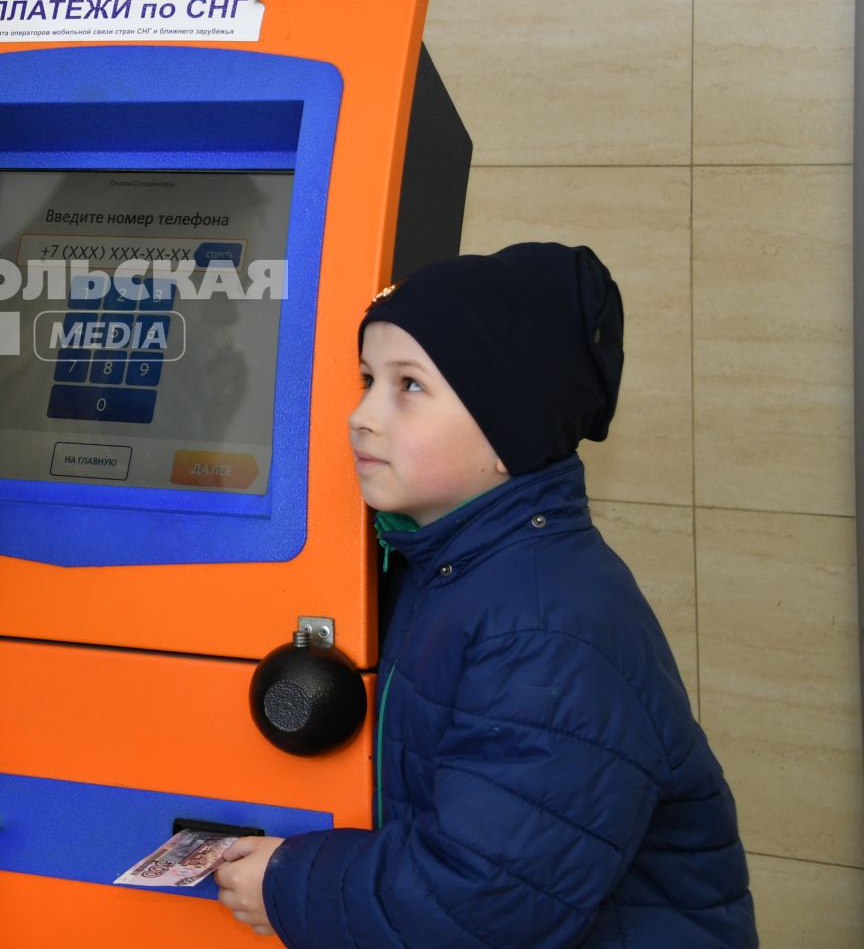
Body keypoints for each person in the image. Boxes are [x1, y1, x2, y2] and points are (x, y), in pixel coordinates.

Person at [212, 243, 755, 947]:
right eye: (367, 378)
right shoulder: (451, 569)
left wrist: (286, 882)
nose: (361, 415)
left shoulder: (547, 625)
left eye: (409, 386)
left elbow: (485, 903)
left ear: (509, 433)